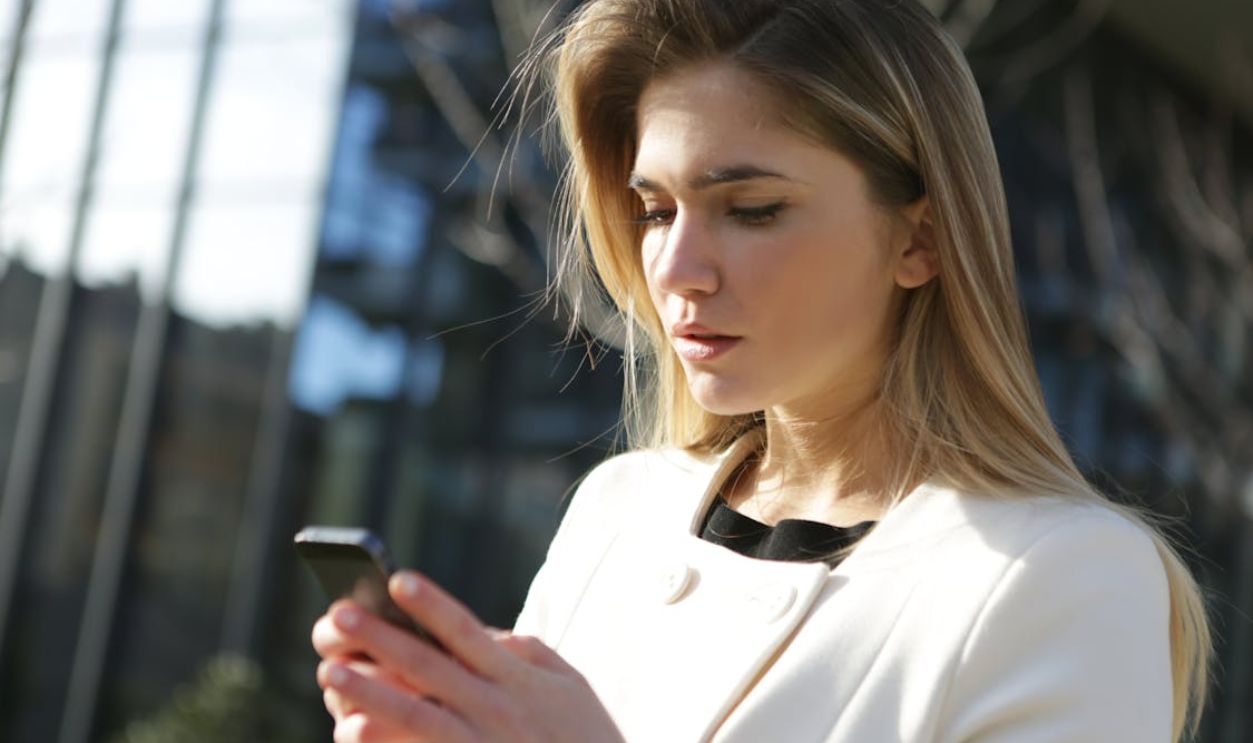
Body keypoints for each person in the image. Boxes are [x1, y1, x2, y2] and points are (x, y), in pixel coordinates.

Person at [311, 0, 1213, 740]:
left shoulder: (1061, 576)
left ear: (922, 239)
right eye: (656, 210)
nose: (674, 268)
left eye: (751, 209)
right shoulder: (620, 511)